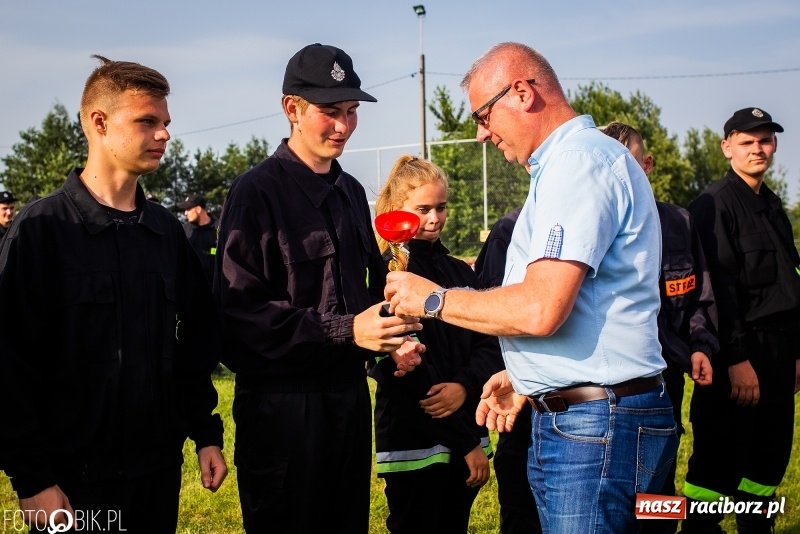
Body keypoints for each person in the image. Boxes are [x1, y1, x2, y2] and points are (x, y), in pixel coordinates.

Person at [384, 42, 678, 533]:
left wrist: (431, 299)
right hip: (591, 416)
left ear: (521, 92)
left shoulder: (577, 164)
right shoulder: (568, 166)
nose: (481, 134)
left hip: (594, 427)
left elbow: (542, 307)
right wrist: (526, 377)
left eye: (483, 115)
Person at [0, 55, 226, 532]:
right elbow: (8, 362)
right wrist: (32, 478)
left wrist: (205, 433)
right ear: (97, 122)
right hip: (71, 484)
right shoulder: (41, 232)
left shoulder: (166, 232)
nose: (164, 134)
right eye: (147, 121)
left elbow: (197, 341)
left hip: (157, 474)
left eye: (165, 122)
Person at [214, 43, 424, 534]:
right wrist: (347, 330)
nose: (344, 126)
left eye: (351, 112)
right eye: (330, 112)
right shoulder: (255, 193)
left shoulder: (350, 192)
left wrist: (390, 338)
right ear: (292, 108)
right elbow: (239, 317)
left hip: (349, 404)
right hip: (283, 411)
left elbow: (364, 293)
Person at [369, 155, 504, 534]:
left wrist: (465, 386)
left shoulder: (460, 273)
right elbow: (399, 371)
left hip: (465, 431)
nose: (434, 218)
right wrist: (464, 443)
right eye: (423, 208)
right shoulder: (388, 273)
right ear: (396, 211)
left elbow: (489, 342)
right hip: (413, 443)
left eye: (440, 207)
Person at [681, 108, 800, 534]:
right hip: (739, 354)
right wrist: (735, 358)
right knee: (717, 467)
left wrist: (796, 354)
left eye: (765, 141)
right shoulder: (713, 205)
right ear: (726, 147)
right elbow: (718, 293)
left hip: (780, 353)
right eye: (747, 142)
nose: (757, 149)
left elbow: (788, 283)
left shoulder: (771, 205)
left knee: (767, 462)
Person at [600, 122, 717, 534]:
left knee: (659, 483)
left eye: (629, 165)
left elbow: (699, 296)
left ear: (647, 164)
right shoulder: (593, 224)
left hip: (668, 378)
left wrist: (700, 345)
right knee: (612, 485)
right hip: (610, 384)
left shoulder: (679, 222)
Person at [473, 207, 542, 534]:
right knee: (522, 503)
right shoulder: (510, 229)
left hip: (637, 397)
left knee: (651, 507)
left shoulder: (668, 221)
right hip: (523, 401)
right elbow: (490, 315)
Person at [177, 193, 219, 285]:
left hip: (215, 290)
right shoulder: (184, 230)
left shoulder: (219, 228)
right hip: (190, 290)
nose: (185, 213)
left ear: (198, 209)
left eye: (188, 209)